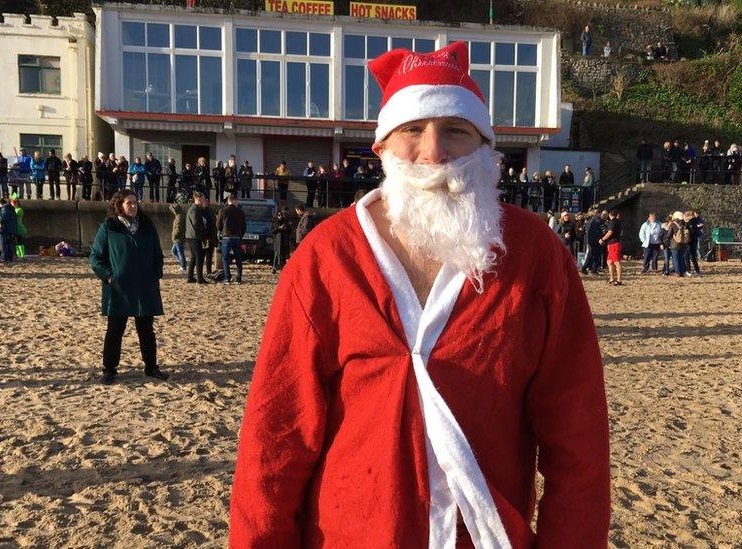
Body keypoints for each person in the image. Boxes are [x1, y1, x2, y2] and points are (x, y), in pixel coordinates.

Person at [229, 41, 609, 547]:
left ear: (485, 147)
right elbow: (276, 434)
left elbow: (578, 436)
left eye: (455, 129)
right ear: (383, 147)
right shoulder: (327, 257)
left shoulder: (535, 255)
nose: (434, 152)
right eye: (413, 130)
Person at [89, 189, 168, 385]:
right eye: (128, 203)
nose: (133, 206)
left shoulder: (147, 225)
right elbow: (95, 256)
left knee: (146, 329)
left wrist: (155, 273)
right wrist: (109, 276)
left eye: (135, 202)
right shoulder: (109, 226)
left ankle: (151, 367)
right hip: (119, 287)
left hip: (144, 286)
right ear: (119, 205)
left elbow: (158, 254)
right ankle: (109, 370)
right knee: (115, 329)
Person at [217, 194, 246, 284]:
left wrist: (222, 231)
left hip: (226, 237)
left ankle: (227, 277)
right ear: (234, 201)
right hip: (237, 237)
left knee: (225, 258)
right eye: (237, 201)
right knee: (238, 258)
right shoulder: (240, 212)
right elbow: (244, 226)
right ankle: (239, 278)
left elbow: (218, 224)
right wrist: (240, 235)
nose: (237, 203)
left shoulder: (223, 210)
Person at [185, 192, 209, 284]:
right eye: (203, 199)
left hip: (192, 236)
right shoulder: (195, 209)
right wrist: (203, 233)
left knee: (194, 257)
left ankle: (190, 277)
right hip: (195, 237)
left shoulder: (194, 209)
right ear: (199, 199)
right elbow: (196, 223)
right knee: (199, 257)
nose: (204, 201)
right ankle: (199, 278)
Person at [600, 210, 623, 284]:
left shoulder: (612, 222)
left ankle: (619, 280)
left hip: (614, 244)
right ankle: (612, 278)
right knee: (609, 262)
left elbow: (610, 232)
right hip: (613, 243)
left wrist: (602, 239)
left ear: (610, 215)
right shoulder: (618, 221)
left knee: (617, 262)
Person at [580, 210, 605, 275]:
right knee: (596, 255)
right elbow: (604, 231)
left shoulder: (588, 221)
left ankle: (586, 267)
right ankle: (593, 269)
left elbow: (584, 230)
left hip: (589, 240)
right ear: (599, 214)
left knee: (590, 254)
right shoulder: (600, 221)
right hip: (598, 240)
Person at [665, 211, 690, 277]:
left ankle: (677, 272)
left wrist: (667, 241)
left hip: (674, 244)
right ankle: (682, 272)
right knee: (681, 258)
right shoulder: (685, 224)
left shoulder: (673, 224)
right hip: (683, 244)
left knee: (675, 259)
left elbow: (669, 234)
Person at [270, 208, 291, 274]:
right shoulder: (274, 221)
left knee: (283, 255)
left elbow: (289, 231)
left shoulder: (285, 221)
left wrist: (286, 228)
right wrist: (279, 228)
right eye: (279, 215)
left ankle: (283, 268)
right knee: (276, 255)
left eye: (281, 215)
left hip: (284, 240)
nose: (280, 216)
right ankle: (274, 268)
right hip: (277, 241)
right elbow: (272, 231)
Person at [169, 201, 187, 273]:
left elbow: (178, 229)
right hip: (179, 238)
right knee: (174, 251)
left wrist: (174, 235)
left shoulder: (179, 217)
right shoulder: (179, 216)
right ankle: (182, 264)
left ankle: (183, 266)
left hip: (178, 238)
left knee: (180, 252)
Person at [0, 198, 18, 262]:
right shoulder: (11, 208)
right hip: (12, 229)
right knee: (10, 244)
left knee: (4, 244)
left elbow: (4, 217)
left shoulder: (4, 208)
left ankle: (4, 258)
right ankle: (10, 258)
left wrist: (0, 221)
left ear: (0, 204)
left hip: (5, 229)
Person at [684, 210, 703, 276]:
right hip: (694, 240)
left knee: (687, 256)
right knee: (693, 256)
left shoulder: (690, 223)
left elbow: (690, 232)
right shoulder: (695, 221)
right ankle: (697, 270)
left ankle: (688, 270)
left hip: (690, 241)